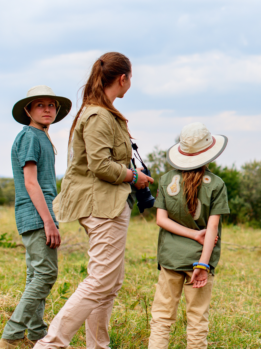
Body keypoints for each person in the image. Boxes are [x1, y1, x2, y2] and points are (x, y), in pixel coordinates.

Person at [34, 52, 153, 349]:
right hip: (102, 206)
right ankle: (50, 344)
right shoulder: (99, 114)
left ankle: (98, 346)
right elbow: (100, 165)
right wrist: (133, 177)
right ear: (123, 78)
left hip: (107, 204)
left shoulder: (101, 111)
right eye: (131, 78)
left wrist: (129, 173)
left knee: (110, 284)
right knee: (100, 281)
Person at [0, 85, 72, 349]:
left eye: (51, 105)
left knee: (35, 275)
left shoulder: (40, 136)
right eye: (39, 105)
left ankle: (38, 334)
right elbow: (31, 182)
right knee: (45, 275)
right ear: (28, 110)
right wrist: (49, 221)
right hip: (38, 216)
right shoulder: (29, 135)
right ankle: (11, 336)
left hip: (39, 214)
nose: (47, 109)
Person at [148, 122, 230, 349]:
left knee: (162, 317)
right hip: (199, 261)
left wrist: (192, 235)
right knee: (197, 319)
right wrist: (203, 264)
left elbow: (160, 220)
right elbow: (211, 229)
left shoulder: (165, 180)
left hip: (170, 258)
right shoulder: (217, 184)